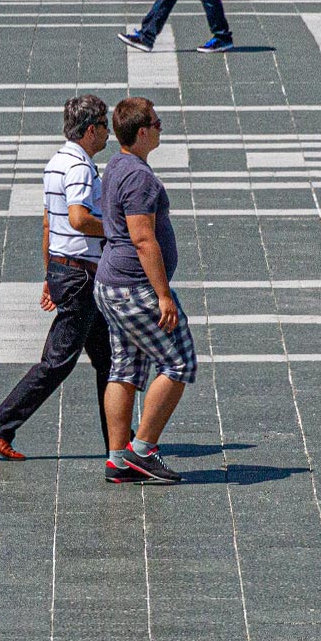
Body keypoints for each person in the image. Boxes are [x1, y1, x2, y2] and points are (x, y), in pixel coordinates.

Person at [0, 96, 116, 461]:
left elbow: (48, 223)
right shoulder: (80, 168)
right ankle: (1, 423)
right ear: (90, 130)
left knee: (109, 359)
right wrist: (117, 231)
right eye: (104, 126)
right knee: (57, 362)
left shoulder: (57, 162)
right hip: (81, 276)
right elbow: (77, 218)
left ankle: (119, 438)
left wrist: (50, 274)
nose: (108, 133)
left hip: (66, 268)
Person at [94, 97, 194, 486]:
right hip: (134, 288)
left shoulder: (118, 164)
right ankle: (142, 451)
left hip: (112, 285)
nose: (161, 126)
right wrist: (163, 296)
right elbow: (143, 239)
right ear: (142, 132)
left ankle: (118, 459)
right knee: (180, 362)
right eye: (156, 121)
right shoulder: (139, 178)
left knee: (124, 369)